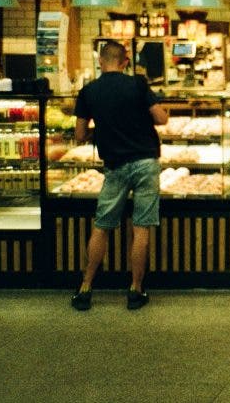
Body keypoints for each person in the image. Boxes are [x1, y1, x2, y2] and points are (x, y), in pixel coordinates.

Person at [70, 41, 168, 311]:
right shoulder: (137, 85)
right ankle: (135, 290)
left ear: (100, 61)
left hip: (114, 166)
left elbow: (79, 135)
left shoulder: (88, 91)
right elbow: (161, 119)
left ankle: (85, 288)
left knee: (102, 226)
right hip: (145, 162)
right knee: (141, 227)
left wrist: (100, 130)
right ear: (125, 62)